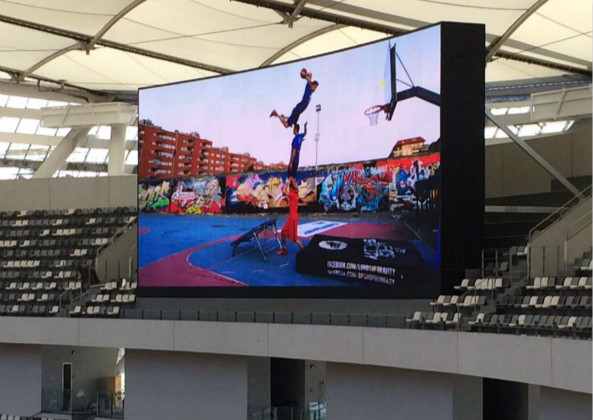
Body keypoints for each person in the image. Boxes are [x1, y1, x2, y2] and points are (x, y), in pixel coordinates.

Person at [277, 177, 304, 255]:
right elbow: (284, 193)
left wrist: (287, 182)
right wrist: (291, 181)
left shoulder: (292, 194)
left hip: (293, 219)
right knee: (283, 232)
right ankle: (284, 249)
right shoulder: (295, 193)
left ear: (290, 187)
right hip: (291, 217)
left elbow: (284, 191)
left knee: (295, 239)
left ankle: (306, 253)